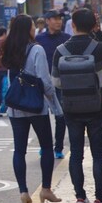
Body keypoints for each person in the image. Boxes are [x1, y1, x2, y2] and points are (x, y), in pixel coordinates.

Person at [51, 8, 102, 203]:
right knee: (98, 154)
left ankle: (80, 198)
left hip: (71, 108)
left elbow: (56, 82)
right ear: (93, 26)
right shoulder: (101, 49)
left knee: (76, 154)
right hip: (96, 106)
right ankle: (100, 200)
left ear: (72, 25)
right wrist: (99, 33)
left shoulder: (60, 51)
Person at [1, 14, 62, 203]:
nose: (35, 29)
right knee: (46, 147)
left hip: (16, 107)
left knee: (19, 150)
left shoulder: (8, 48)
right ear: (28, 29)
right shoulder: (37, 49)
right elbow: (45, 82)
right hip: (36, 106)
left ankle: (23, 191)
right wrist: (56, 107)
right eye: (33, 26)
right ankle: (45, 189)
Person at [35, 9, 71, 159]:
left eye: (59, 19)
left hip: (61, 83)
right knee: (41, 117)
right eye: (54, 19)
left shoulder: (67, 38)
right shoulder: (39, 39)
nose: (58, 21)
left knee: (60, 116)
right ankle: (45, 146)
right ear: (47, 21)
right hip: (42, 83)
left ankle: (58, 148)